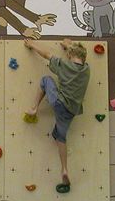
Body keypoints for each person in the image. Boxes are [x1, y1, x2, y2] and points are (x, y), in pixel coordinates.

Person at [23, 37, 90, 191]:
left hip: (59, 103)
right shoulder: (86, 70)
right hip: (71, 111)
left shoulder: (64, 65)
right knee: (61, 137)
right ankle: (64, 169)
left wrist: (32, 44)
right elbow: (77, 56)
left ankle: (34, 108)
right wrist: (69, 46)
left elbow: (47, 54)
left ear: (69, 55)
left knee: (46, 80)